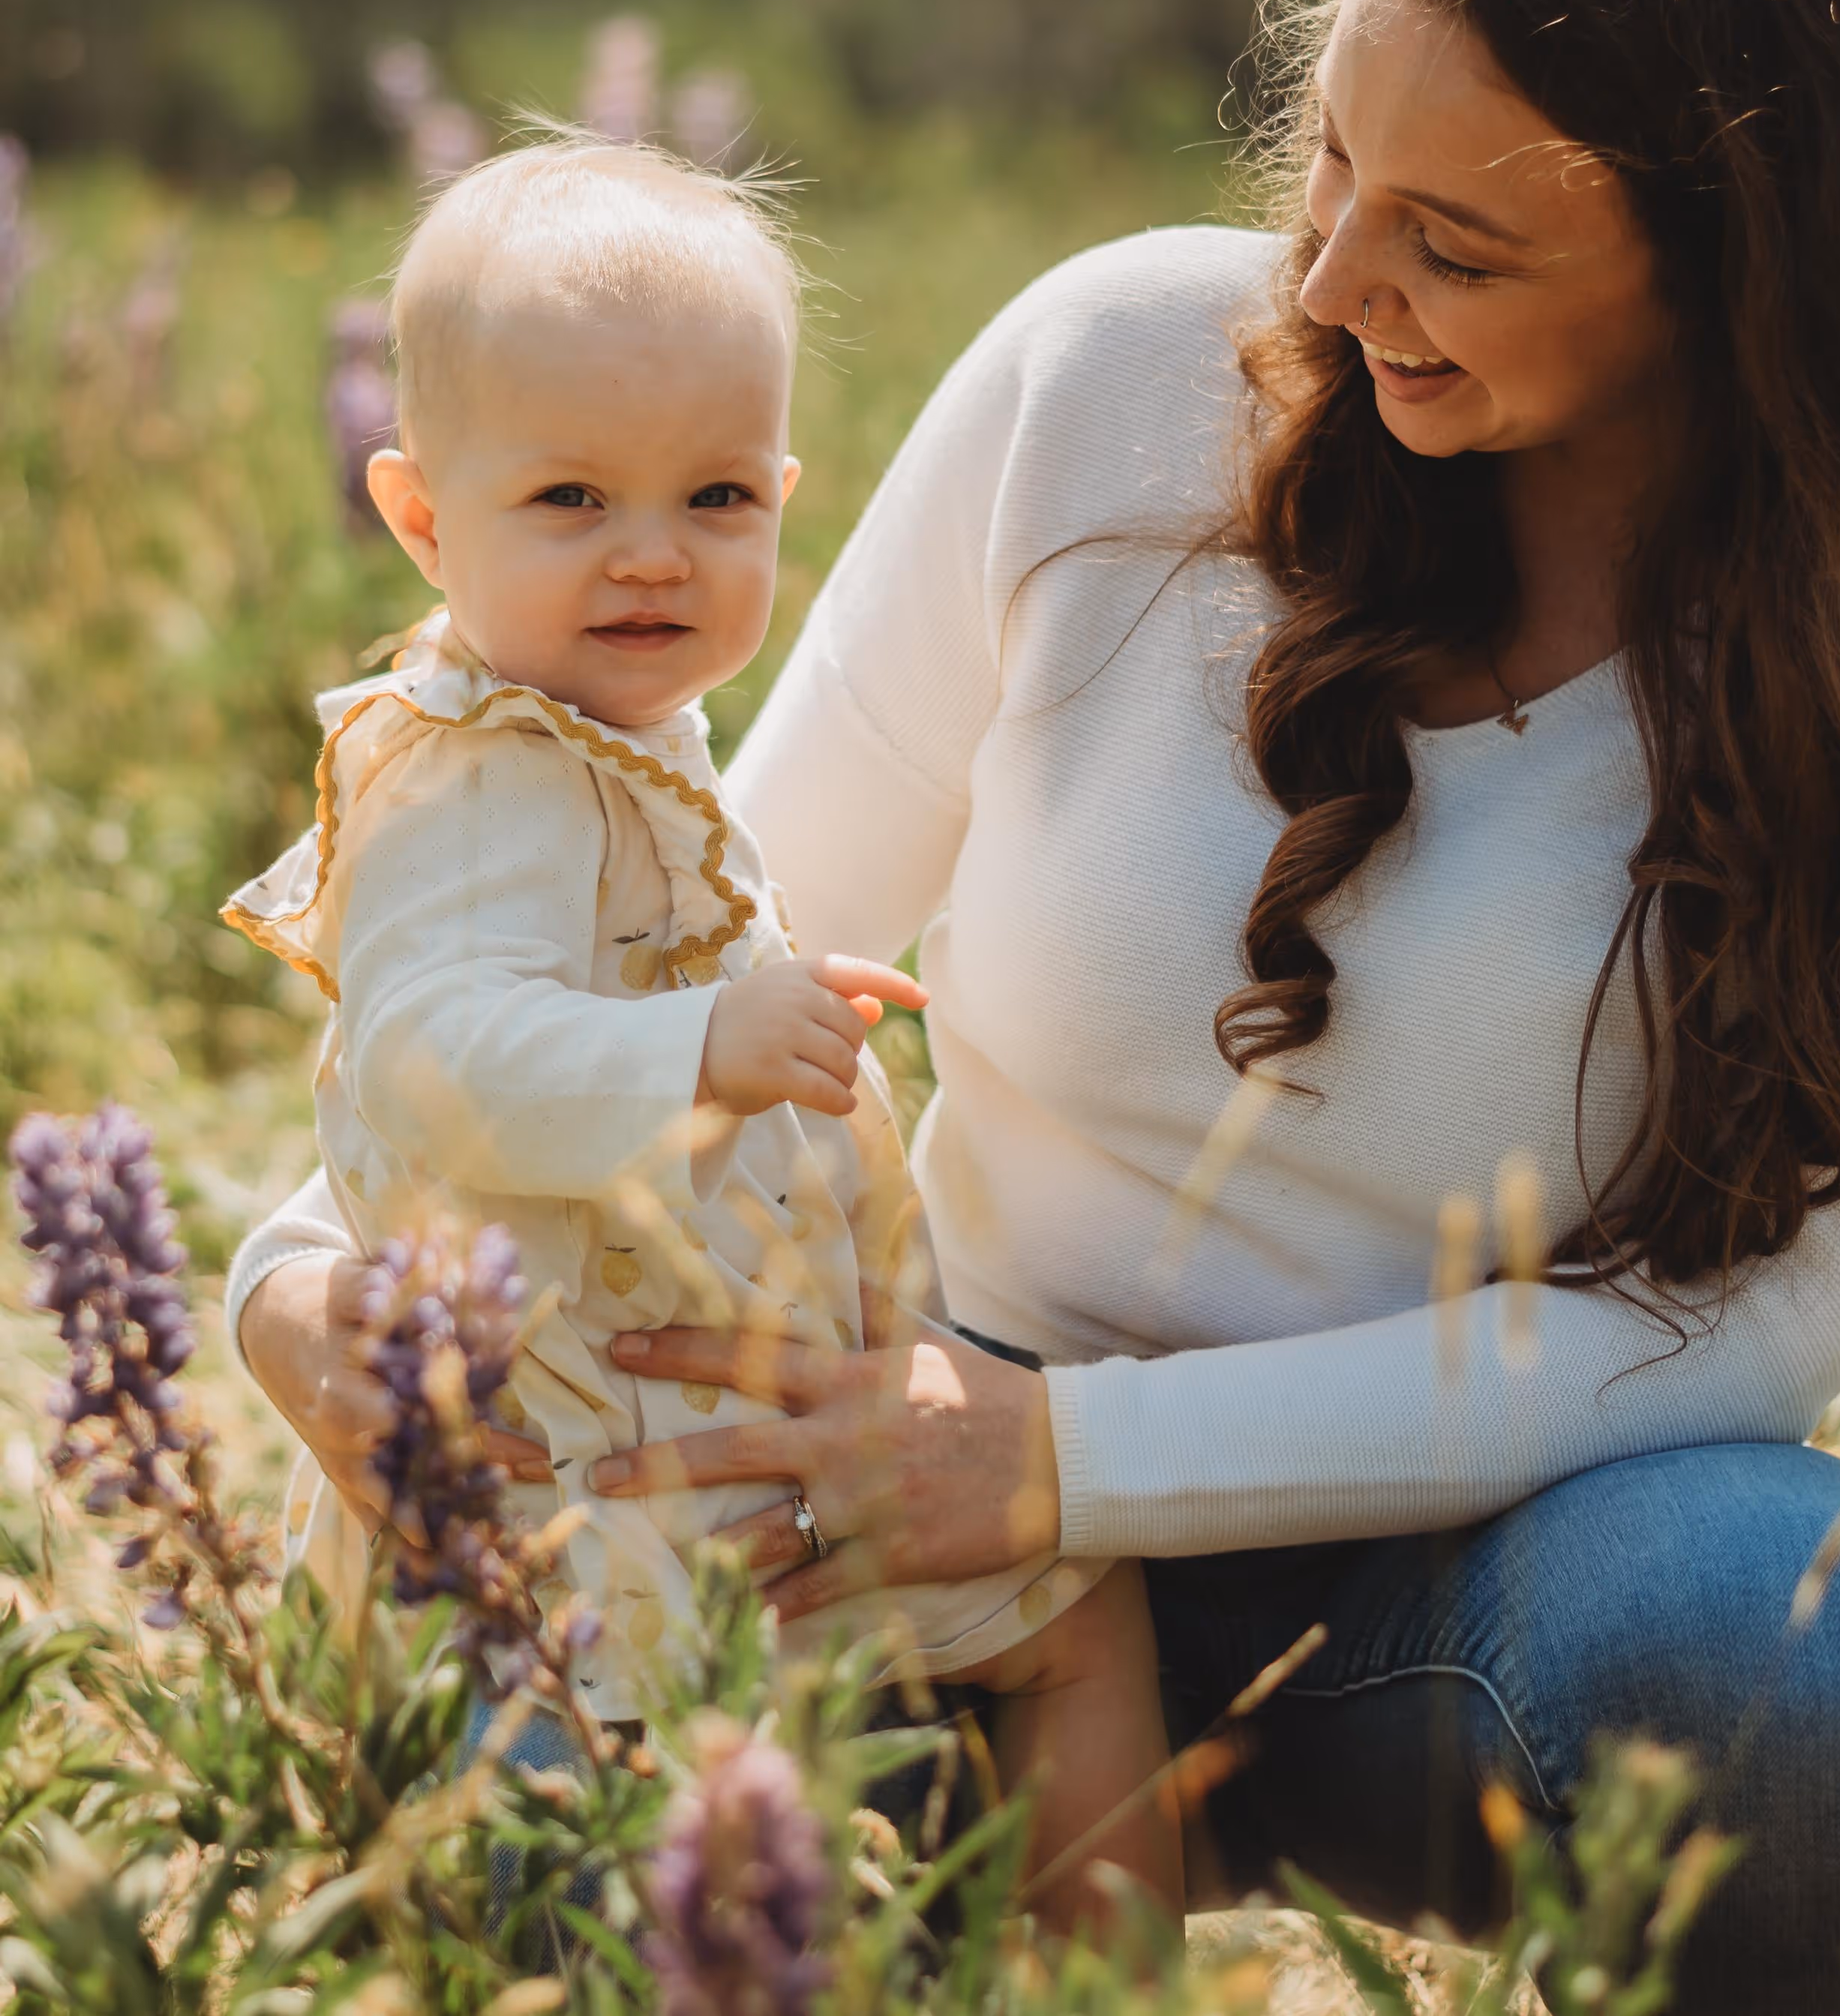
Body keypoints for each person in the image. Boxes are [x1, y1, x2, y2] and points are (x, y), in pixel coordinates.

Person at [230, 0, 1840, 2012]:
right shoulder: (1118, 367)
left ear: (1737, 266)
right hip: (905, 1495)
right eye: (1335, 162)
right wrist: (286, 1279)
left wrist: (1079, 1464)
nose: (1333, 276)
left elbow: (1759, 1322)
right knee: (534, 1859)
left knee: (1799, 1673)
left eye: (1457, 240)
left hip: (1475, 1589)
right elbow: (684, 941)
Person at [222, 134, 1178, 1930]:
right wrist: (704, 1051)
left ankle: (1081, 1974)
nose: (651, 556)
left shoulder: (613, 724)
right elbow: (427, 1054)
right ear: (423, 517)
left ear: (785, 493)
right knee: (588, 1790)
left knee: (1061, 1603)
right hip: (589, 1438)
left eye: (717, 500)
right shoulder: (480, 774)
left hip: (717, 1380)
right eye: (571, 499)